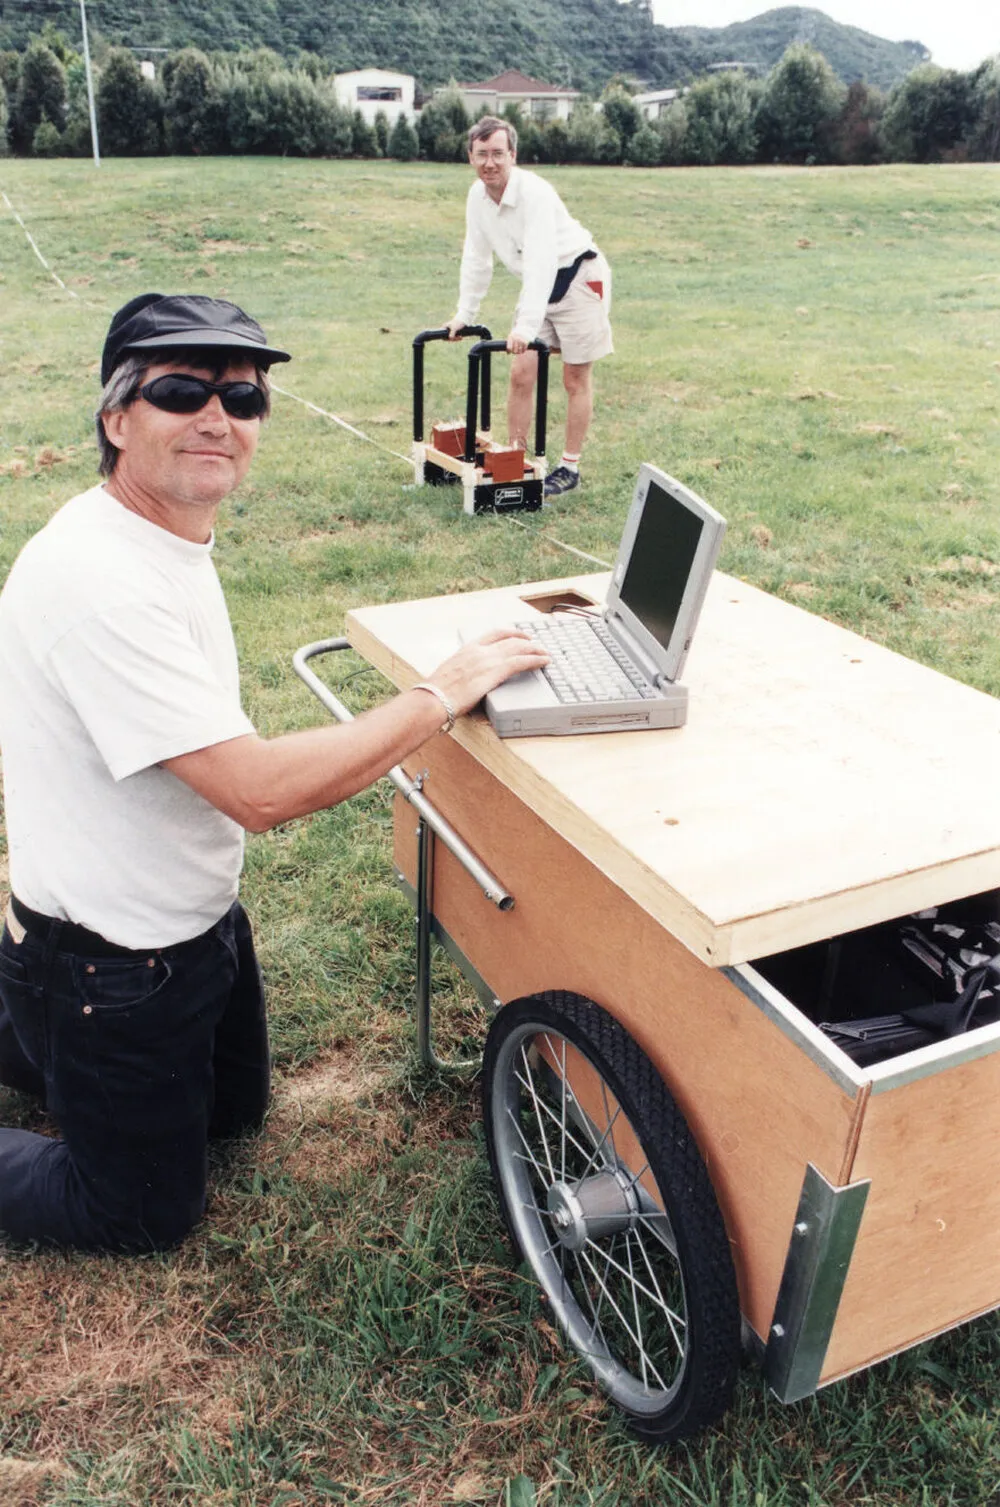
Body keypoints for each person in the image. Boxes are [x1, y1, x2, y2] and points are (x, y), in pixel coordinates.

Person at [0, 292, 548, 1254]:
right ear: (116, 417)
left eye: (245, 399)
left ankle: (39, 1027)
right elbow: (257, 790)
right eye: (181, 390)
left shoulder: (159, 531)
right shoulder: (97, 582)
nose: (220, 418)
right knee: (136, 1212)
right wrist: (438, 692)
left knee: (234, 1116)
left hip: (189, 930)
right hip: (106, 963)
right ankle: (40, 1013)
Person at [446, 115, 613, 500]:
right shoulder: (476, 196)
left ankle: (569, 468)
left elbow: (541, 261)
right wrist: (464, 315)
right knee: (521, 372)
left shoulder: (534, 193)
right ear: (470, 157)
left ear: (513, 156)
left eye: (498, 154)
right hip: (538, 283)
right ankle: (515, 462)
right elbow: (476, 257)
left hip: (578, 277)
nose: (490, 163)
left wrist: (525, 327)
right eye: (482, 154)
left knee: (575, 378)